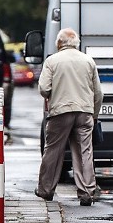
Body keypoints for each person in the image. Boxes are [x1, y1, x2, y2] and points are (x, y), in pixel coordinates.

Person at [35, 28, 103, 206]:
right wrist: (94, 115)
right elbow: (98, 93)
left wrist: (53, 93)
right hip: (84, 112)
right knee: (84, 152)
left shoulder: (52, 61)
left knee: (53, 150)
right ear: (76, 43)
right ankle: (87, 192)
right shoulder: (88, 61)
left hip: (60, 111)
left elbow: (44, 88)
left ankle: (46, 190)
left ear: (59, 43)